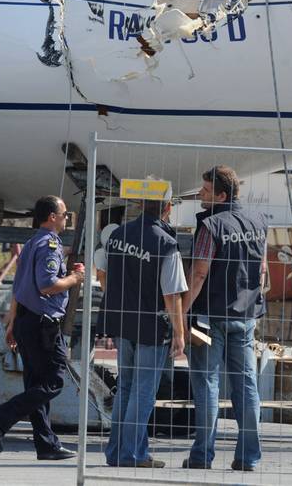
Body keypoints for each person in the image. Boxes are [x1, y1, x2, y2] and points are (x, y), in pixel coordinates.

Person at [0, 196, 84, 461]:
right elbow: (47, 285)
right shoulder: (50, 245)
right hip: (43, 325)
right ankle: (1, 417)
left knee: (35, 385)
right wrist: (74, 278)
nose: (66, 218)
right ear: (52, 216)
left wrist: (13, 323)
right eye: (64, 214)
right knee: (54, 380)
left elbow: (19, 287)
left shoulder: (31, 244)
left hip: (27, 321)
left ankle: (46, 444)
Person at [183, 165, 268, 472]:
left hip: (210, 316)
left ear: (221, 195)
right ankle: (248, 457)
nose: (200, 194)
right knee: (246, 386)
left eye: (205, 190)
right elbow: (261, 268)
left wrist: (181, 312)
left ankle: (201, 456)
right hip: (246, 314)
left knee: (207, 384)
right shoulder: (259, 220)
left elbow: (199, 273)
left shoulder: (212, 225)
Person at [97, 183, 187, 468]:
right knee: (143, 391)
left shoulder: (118, 235)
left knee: (125, 387)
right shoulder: (166, 243)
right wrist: (180, 333)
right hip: (151, 326)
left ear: (139, 204)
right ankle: (132, 454)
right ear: (168, 208)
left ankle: (116, 452)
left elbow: (104, 275)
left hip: (122, 321)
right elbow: (172, 294)